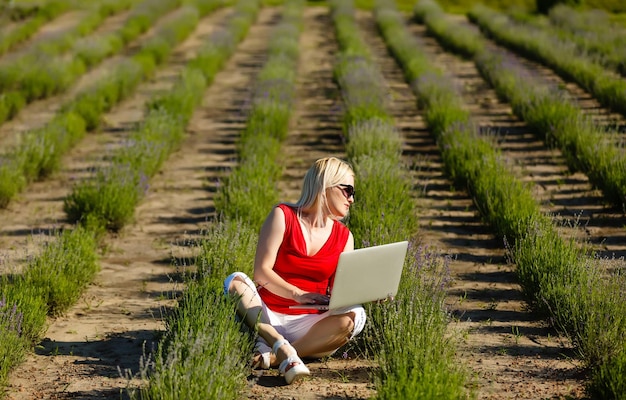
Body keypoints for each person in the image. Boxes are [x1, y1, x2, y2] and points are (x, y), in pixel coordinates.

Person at [223, 156, 366, 385]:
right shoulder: (283, 216)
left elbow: (340, 292)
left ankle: (275, 354)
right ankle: (276, 341)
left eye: (353, 193)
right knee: (234, 281)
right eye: (347, 190)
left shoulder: (345, 237)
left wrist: (369, 293)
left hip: (310, 326)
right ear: (326, 185)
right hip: (267, 314)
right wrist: (297, 294)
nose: (351, 199)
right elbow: (261, 272)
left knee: (356, 316)